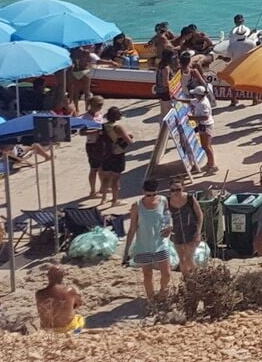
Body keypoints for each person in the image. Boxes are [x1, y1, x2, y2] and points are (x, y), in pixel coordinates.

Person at [122, 179, 173, 308]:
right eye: (148, 195)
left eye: (153, 195)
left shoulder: (163, 200)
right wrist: (126, 251)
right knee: (147, 274)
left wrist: (169, 225)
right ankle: (151, 299)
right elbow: (132, 228)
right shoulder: (137, 206)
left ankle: (162, 294)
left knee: (166, 273)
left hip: (160, 243)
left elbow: (167, 214)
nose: (151, 198)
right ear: (144, 193)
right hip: (144, 245)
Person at [86, 108, 130, 204]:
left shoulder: (103, 126)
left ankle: (104, 198)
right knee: (115, 178)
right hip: (117, 153)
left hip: (106, 153)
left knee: (106, 177)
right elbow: (129, 141)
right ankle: (115, 200)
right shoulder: (117, 127)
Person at [165, 182, 205, 275]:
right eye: (173, 190)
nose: (176, 192)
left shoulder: (190, 198)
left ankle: (198, 278)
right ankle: (187, 281)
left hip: (191, 233)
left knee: (189, 259)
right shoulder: (167, 201)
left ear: (183, 188)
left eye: (178, 189)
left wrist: (198, 232)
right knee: (182, 260)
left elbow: (200, 215)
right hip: (177, 234)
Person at [35, 265, 85, 333]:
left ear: (48, 276)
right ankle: (76, 333)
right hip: (65, 328)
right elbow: (79, 304)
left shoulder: (39, 294)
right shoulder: (70, 291)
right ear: (63, 276)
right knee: (80, 318)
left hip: (47, 329)